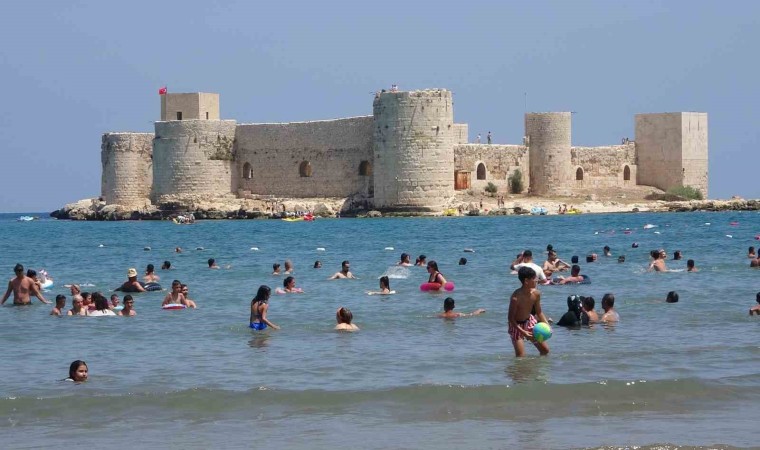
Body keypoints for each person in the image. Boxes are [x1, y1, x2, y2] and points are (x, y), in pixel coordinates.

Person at [508, 267, 550, 357]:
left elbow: (539, 312)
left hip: (529, 322)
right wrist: (524, 332)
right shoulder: (516, 297)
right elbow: (510, 318)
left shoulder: (536, 294)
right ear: (526, 281)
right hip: (516, 326)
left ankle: (536, 365)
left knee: (545, 350)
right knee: (521, 356)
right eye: (534, 278)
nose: (537, 280)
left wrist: (547, 326)